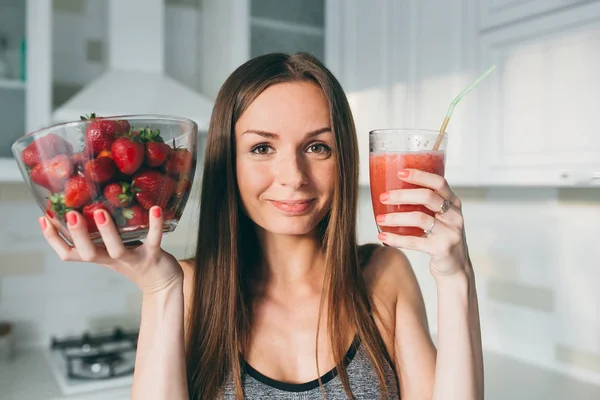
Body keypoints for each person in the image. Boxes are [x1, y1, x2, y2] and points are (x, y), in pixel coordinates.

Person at [38, 52, 484, 400]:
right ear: (227, 161)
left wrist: (456, 276)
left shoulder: (383, 275)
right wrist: (159, 291)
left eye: (316, 147)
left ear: (345, 159)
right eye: (262, 149)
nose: (293, 176)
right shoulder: (188, 288)